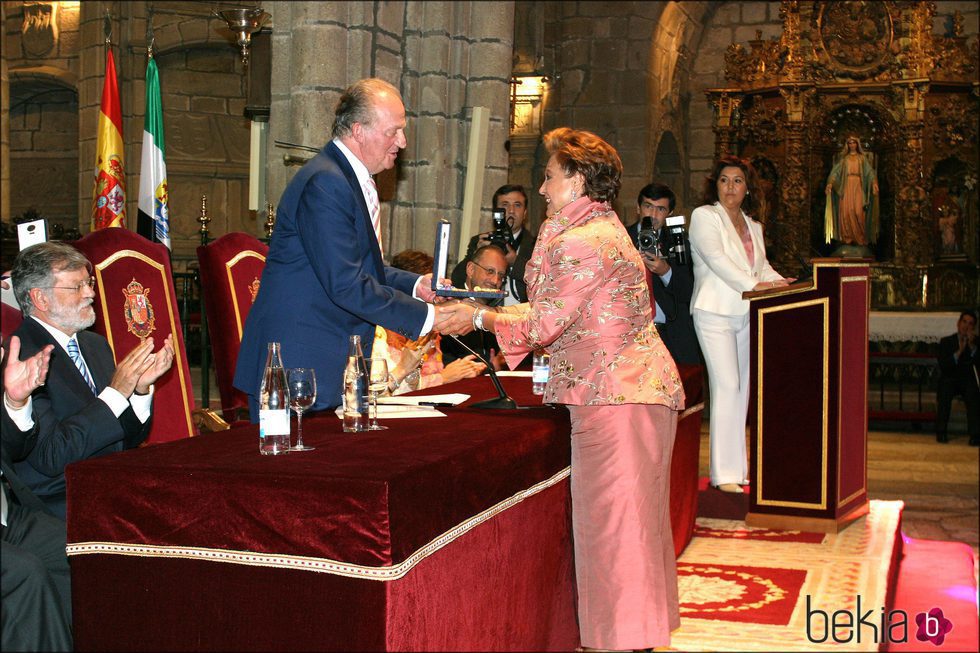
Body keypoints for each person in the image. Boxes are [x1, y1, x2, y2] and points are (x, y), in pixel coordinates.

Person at [441, 128, 685, 651]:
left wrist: (477, 313)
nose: (544, 189)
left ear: (577, 179)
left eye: (550, 177)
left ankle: (621, 643)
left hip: (617, 395)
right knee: (626, 529)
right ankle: (625, 639)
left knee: (617, 533)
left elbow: (546, 320)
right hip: (622, 393)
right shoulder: (593, 229)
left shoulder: (585, 241)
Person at [233, 78, 453, 413]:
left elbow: (359, 266)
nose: (402, 141)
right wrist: (430, 318)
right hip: (299, 365)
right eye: (393, 131)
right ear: (358, 129)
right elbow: (347, 284)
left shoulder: (345, 178)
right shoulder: (326, 182)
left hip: (323, 364)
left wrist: (415, 284)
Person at [9, 242, 174, 518]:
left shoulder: (94, 345)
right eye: (77, 287)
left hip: (110, 484)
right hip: (61, 502)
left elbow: (127, 440)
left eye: (89, 283)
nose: (90, 294)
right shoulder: (23, 357)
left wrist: (140, 391)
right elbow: (52, 455)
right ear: (40, 298)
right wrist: (116, 393)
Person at [688, 156, 793, 494]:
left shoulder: (753, 226)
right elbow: (718, 260)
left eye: (737, 181)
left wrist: (782, 283)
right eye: (724, 180)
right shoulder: (705, 218)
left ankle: (737, 469)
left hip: (746, 312)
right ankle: (723, 473)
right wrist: (756, 285)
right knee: (727, 386)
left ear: (748, 188)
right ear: (714, 185)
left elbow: (760, 269)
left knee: (742, 389)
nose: (730, 187)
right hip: (714, 312)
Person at [2, 336, 73, 652]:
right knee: (22, 574)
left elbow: (12, 449)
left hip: (7, 515)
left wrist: (14, 403)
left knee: (73, 549)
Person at [375, 250, 485, 394]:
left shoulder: (429, 328)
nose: (434, 300)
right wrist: (443, 377)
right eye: (427, 294)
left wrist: (458, 371)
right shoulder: (379, 331)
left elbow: (412, 385)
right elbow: (377, 394)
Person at [632, 182, 701, 366]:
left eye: (660, 209)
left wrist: (666, 271)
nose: (653, 215)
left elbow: (688, 291)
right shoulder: (621, 237)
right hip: (631, 335)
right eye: (648, 206)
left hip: (671, 334)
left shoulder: (678, 241)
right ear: (638, 208)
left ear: (669, 213)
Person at [451, 184, 535, 304]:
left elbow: (542, 282)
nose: (511, 210)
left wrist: (515, 262)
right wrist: (476, 254)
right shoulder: (480, 240)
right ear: (495, 212)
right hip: (486, 311)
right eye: (505, 205)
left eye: (517, 205)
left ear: (525, 212)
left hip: (521, 314)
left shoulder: (537, 245)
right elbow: (457, 280)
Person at [442, 245, 508, 369]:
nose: (495, 281)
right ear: (471, 269)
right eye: (490, 271)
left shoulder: (496, 311)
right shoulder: (448, 305)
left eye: (501, 276)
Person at [824, 135, 879, 246]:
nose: (852, 145)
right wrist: (830, 183)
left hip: (858, 186)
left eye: (854, 143)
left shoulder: (862, 159)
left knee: (858, 212)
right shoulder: (844, 160)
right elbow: (835, 173)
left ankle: (860, 238)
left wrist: (874, 183)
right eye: (850, 143)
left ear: (857, 144)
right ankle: (847, 238)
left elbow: (870, 173)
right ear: (847, 145)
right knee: (846, 212)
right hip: (846, 186)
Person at [935, 309, 978, 445]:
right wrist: (959, 352)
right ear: (958, 324)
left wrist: (971, 348)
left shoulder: (977, 343)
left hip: (967, 380)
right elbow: (944, 365)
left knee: (973, 394)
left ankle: (975, 435)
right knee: (945, 391)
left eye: (970, 324)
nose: (966, 326)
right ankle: (941, 432)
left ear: (974, 328)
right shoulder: (946, 341)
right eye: (964, 322)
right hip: (950, 378)